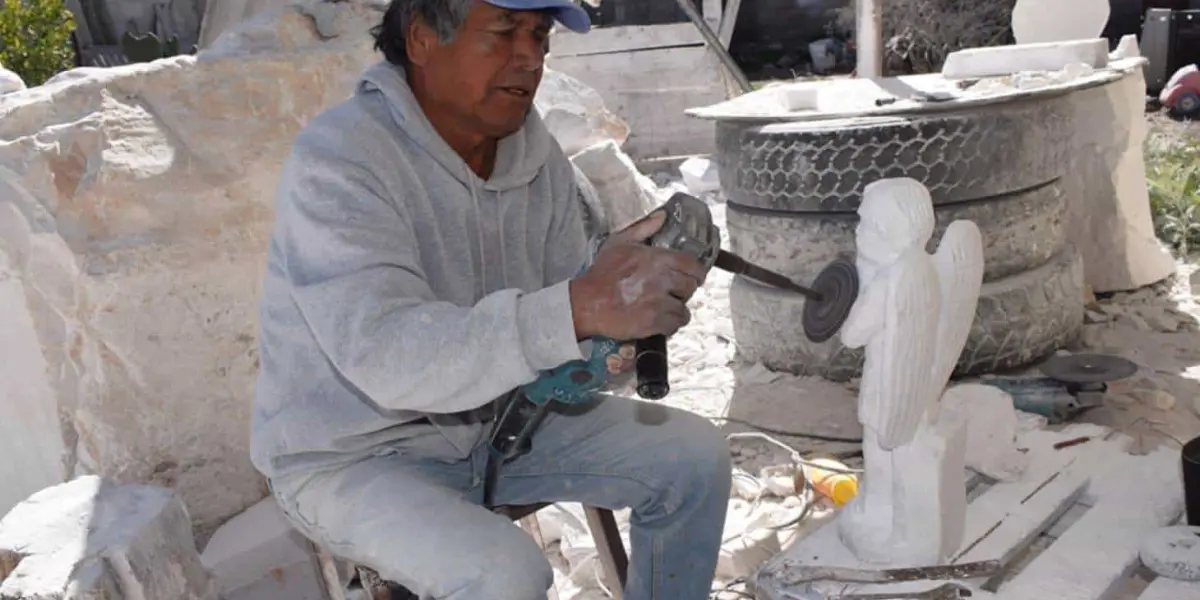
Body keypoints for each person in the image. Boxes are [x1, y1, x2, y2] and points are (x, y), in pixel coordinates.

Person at [249, 0, 733, 598]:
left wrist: (622, 327)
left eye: (539, 33)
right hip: (354, 456)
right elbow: (388, 357)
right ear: (424, 39)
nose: (530, 57)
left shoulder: (536, 157)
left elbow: (562, 318)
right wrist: (579, 306)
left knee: (693, 459)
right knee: (503, 574)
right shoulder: (341, 161)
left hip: (500, 421)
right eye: (505, 31)